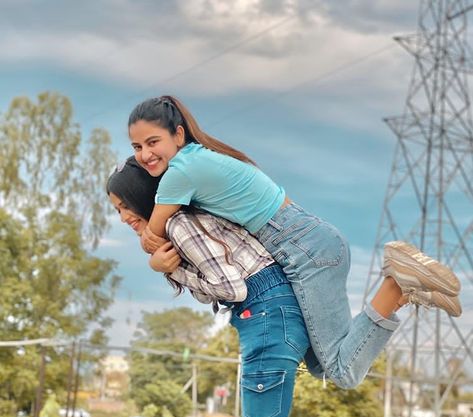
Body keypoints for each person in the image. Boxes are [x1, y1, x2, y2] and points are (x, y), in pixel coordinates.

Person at [127, 95, 462, 391]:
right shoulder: (200, 157)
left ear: (179, 135)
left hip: (304, 250)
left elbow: (155, 234)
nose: (145, 154)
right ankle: (402, 292)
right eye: (137, 147)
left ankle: (395, 281)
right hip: (310, 241)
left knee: (341, 372)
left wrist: (153, 257)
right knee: (321, 364)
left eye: (153, 142)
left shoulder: (179, 174)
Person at [107, 157, 312, 417]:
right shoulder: (182, 223)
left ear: (148, 197)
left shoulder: (179, 224)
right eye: (116, 210)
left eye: (124, 205)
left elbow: (230, 288)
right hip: (266, 317)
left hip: (268, 318)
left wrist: (171, 269)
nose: (123, 216)